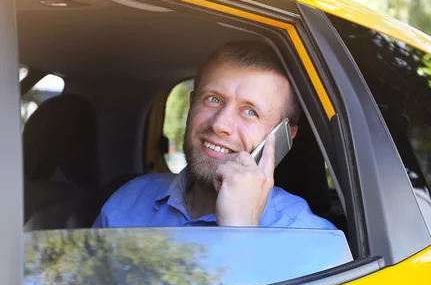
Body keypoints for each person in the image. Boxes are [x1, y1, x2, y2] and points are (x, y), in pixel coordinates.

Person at [93, 41, 335, 229]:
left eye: (250, 111)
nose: (220, 124)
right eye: (213, 99)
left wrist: (240, 230)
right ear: (191, 106)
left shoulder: (310, 239)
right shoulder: (128, 201)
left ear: (284, 137)